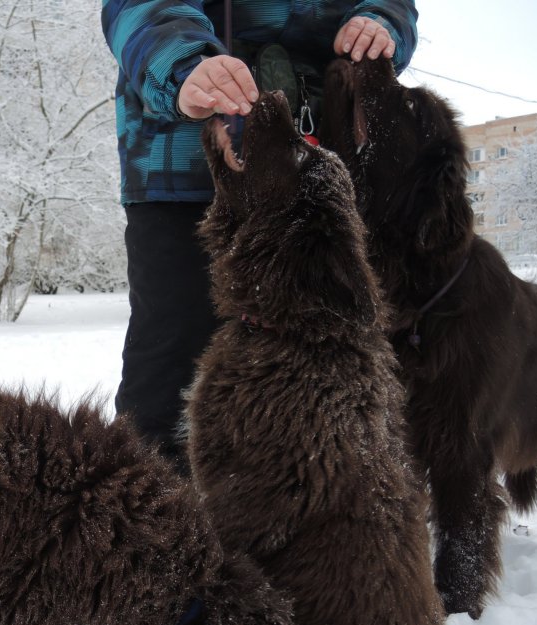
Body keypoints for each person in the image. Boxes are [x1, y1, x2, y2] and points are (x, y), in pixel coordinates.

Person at [101, 0, 418, 472]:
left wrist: (381, 21)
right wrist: (183, 62)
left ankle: (319, 519)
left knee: (332, 367)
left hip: (322, 169)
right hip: (184, 169)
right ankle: (151, 528)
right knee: (171, 365)